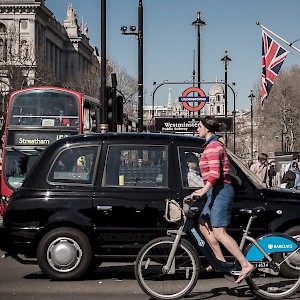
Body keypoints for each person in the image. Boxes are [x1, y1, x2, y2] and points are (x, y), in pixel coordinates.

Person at [191, 116, 254, 284]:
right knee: (203, 224)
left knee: (219, 232)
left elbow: (214, 174)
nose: (197, 129)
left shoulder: (213, 146)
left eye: (199, 126)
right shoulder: (211, 146)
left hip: (221, 191)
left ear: (207, 129)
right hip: (214, 190)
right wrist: (203, 190)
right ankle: (220, 262)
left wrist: (202, 192)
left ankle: (245, 264)